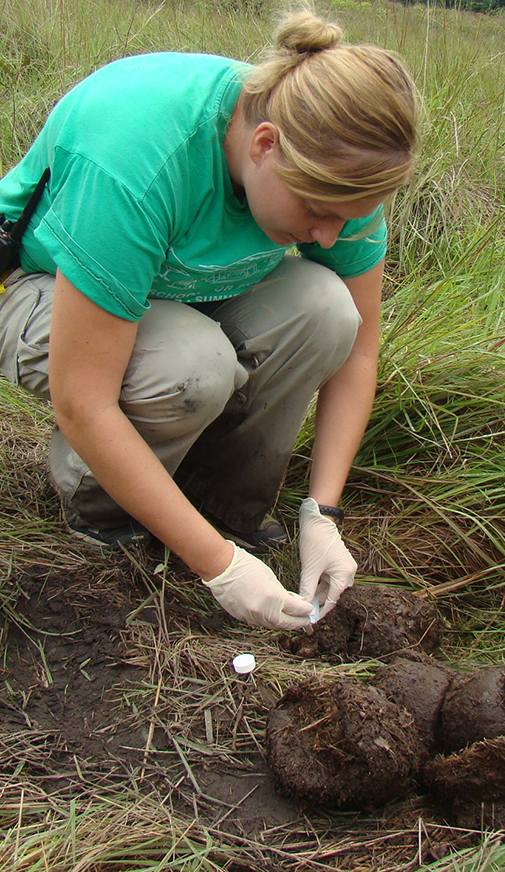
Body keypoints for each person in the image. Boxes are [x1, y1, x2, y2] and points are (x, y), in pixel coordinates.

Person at [0, 10, 418, 632]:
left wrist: (321, 513)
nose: (331, 233)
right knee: (191, 365)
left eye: (351, 216)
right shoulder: (138, 153)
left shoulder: (339, 164)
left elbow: (358, 351)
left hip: (185, 290)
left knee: (328, 311)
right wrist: (217, 568)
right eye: (318, 211)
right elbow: (82, 400)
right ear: (264, 144)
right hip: (41, 286)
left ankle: (226, 510)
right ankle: (107, 515)